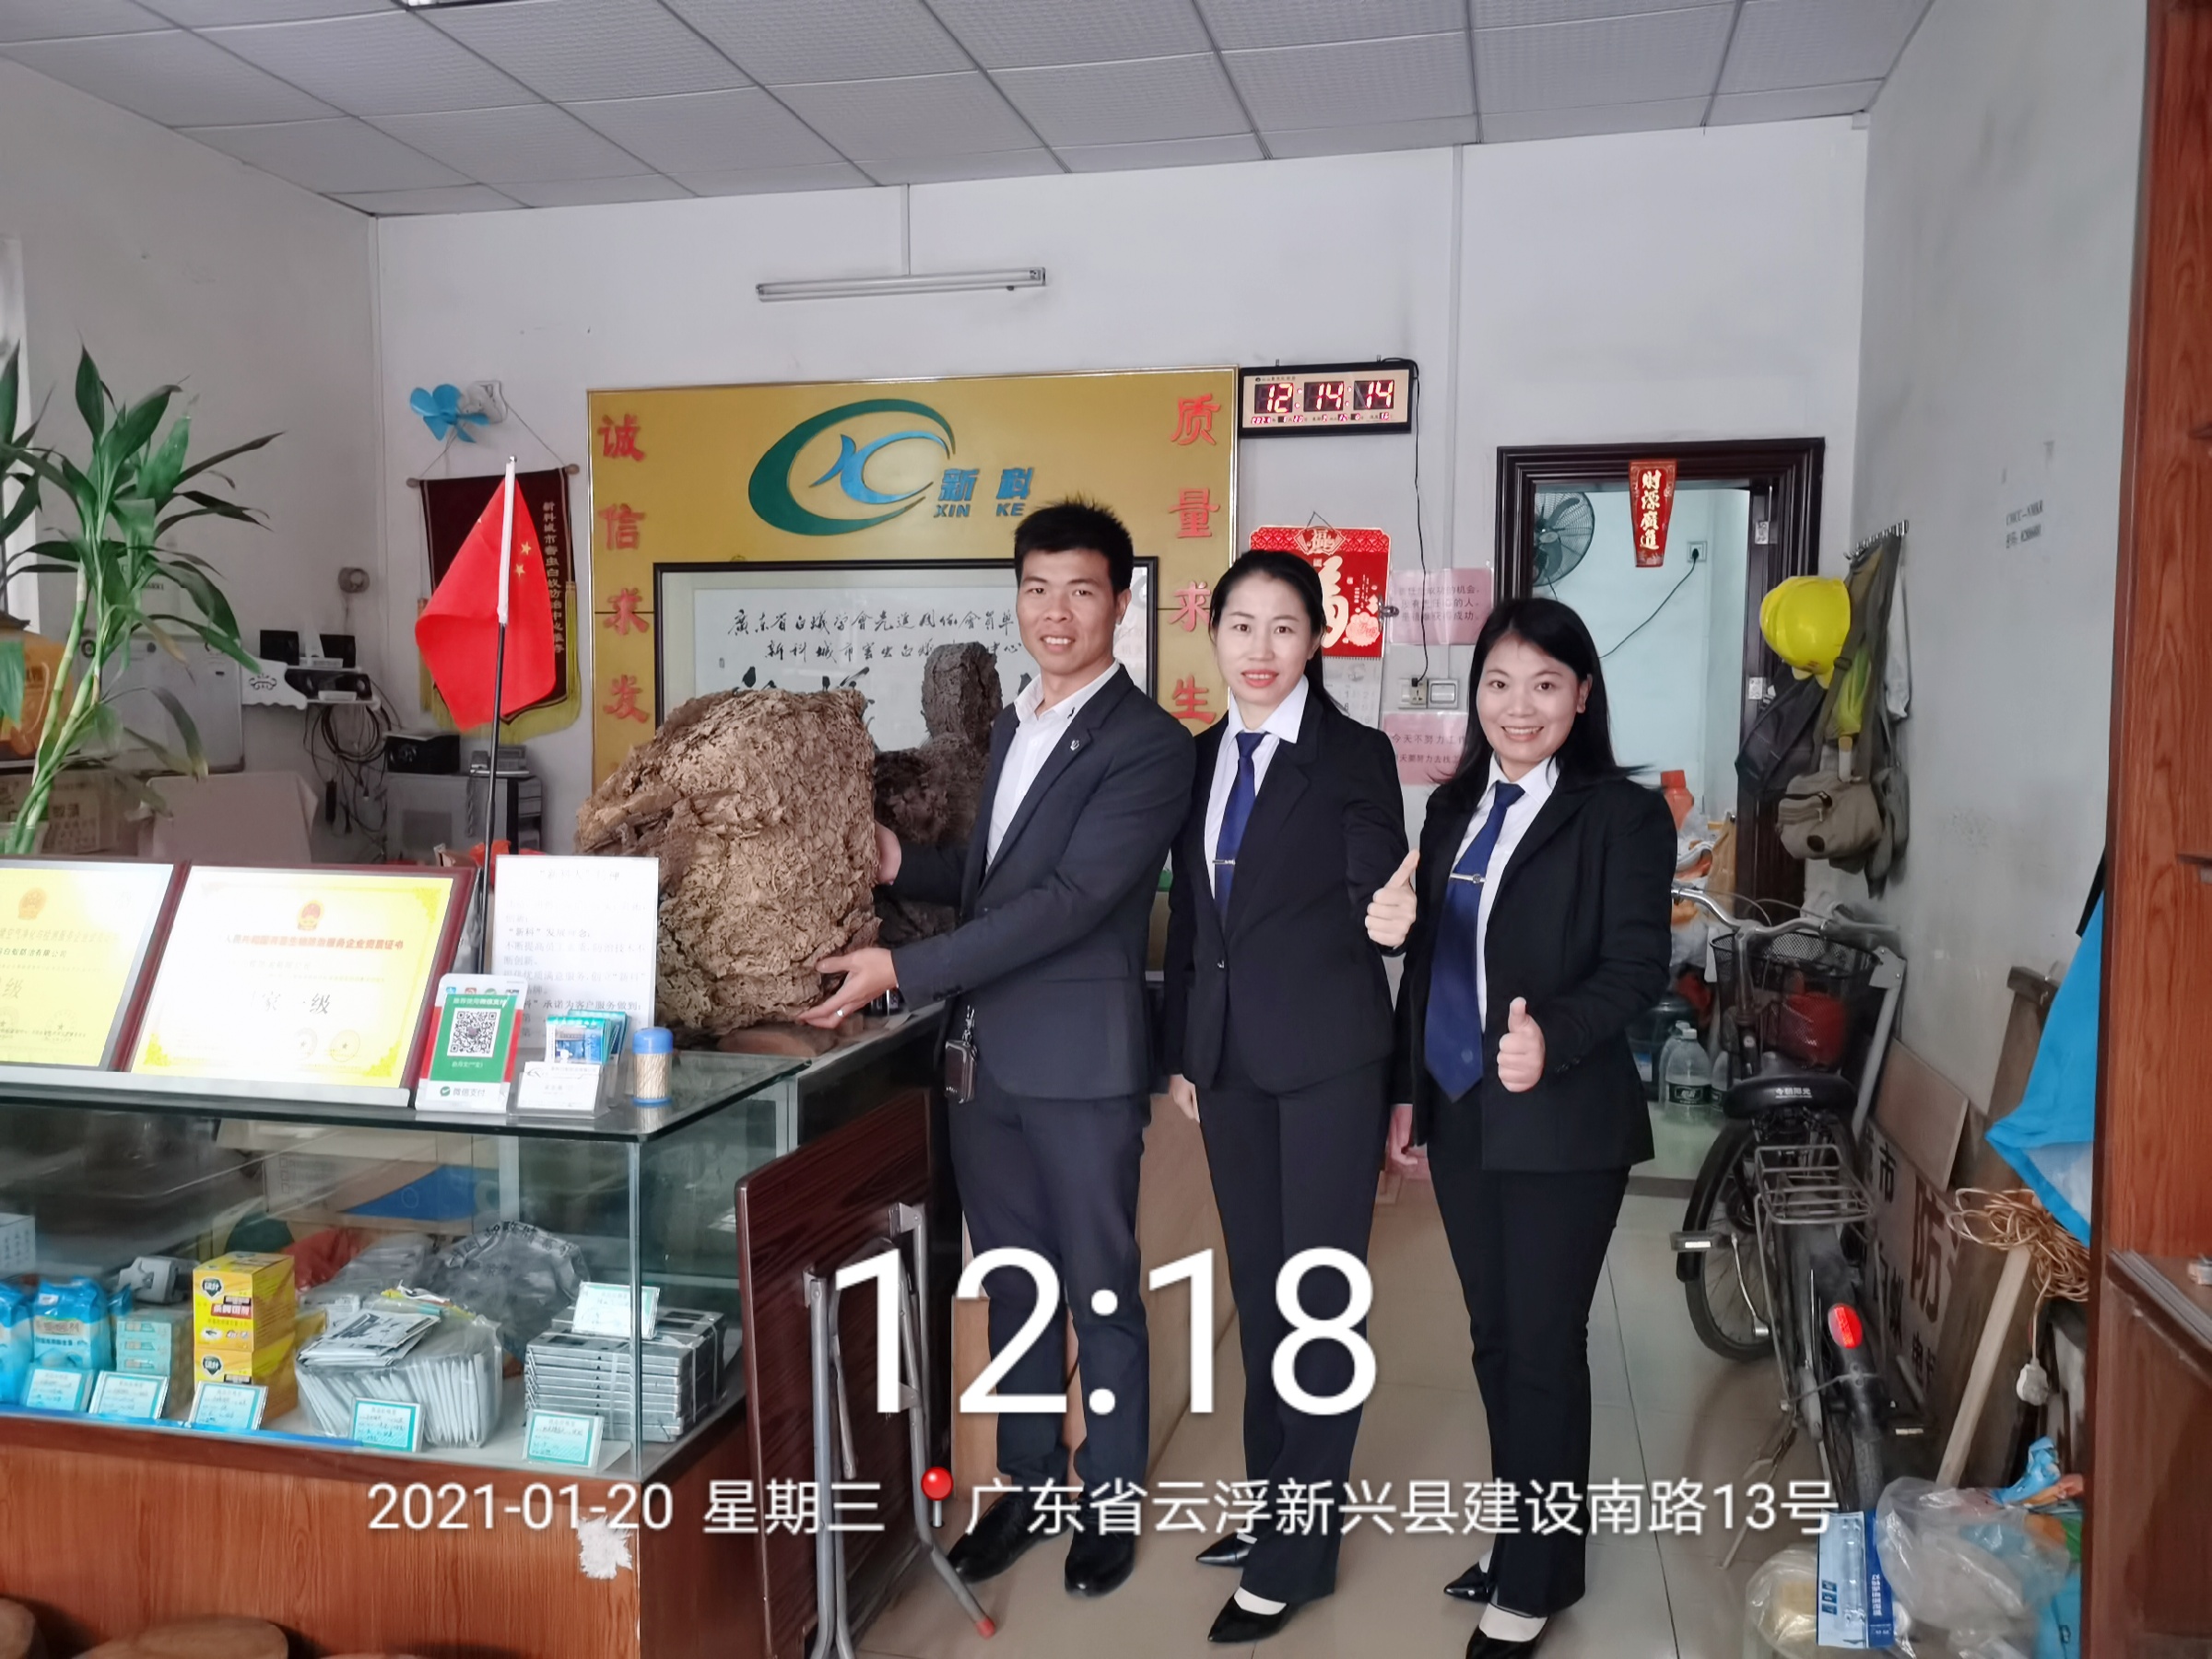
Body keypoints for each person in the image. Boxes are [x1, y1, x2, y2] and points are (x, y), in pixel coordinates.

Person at [805, 500, 1194, 1600]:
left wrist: (904, 969)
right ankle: (1027, 1489)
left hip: (1078, 1066)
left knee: (1101, 1289)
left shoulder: (1150, 746)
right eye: (1036, 590)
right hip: (985, 1063)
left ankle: (1106, 1503)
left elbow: (1069, 901)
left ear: (1121, 602)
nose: (1055, 613)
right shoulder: (1017, 725)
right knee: (1016, 1287)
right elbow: (994, 882)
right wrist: (901, 866)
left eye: (1081, 591)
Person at [1365, 596, 1673, 1659]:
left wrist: (1557, 1038)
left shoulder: (1622, 817)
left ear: (1582, 695)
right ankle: (1531, 1538)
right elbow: (1435, 964)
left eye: (1545, 685)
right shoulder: (1452, 808)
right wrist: (1406, 1083)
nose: (1518, 706)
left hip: (1565, 1122)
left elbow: (1638, 967)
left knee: (1542, 1344)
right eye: (1498, 683)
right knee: (1495, 1336)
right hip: (1461, 1108)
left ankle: (1534, 1578)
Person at [1160, 550, 1408, 1643]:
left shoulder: (1354, 754)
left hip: (1327, 1066)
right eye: (1241, 626)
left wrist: (1389, 913)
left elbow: (1375, 882)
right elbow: (1192, 925)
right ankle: (1275, 1507)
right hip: (1228, 1069)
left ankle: (1298, 1553)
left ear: (1316, 640)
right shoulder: (1197, 758)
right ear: (1214, 634)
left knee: (1318, 1301)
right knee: (1261, 1297)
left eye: (1284, 628)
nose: (1260, 650)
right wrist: (1186, 1051)